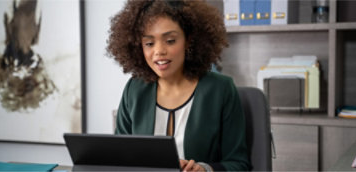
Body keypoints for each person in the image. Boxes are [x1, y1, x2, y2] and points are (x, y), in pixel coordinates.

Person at [107, 0, 251, 171]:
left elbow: (239, 164)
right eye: (149, 43)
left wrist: (205, 169)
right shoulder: (135, 89)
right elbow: (119, 159)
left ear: (188, 41)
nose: (159, 51)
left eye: (170, 40)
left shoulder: (221, 89)